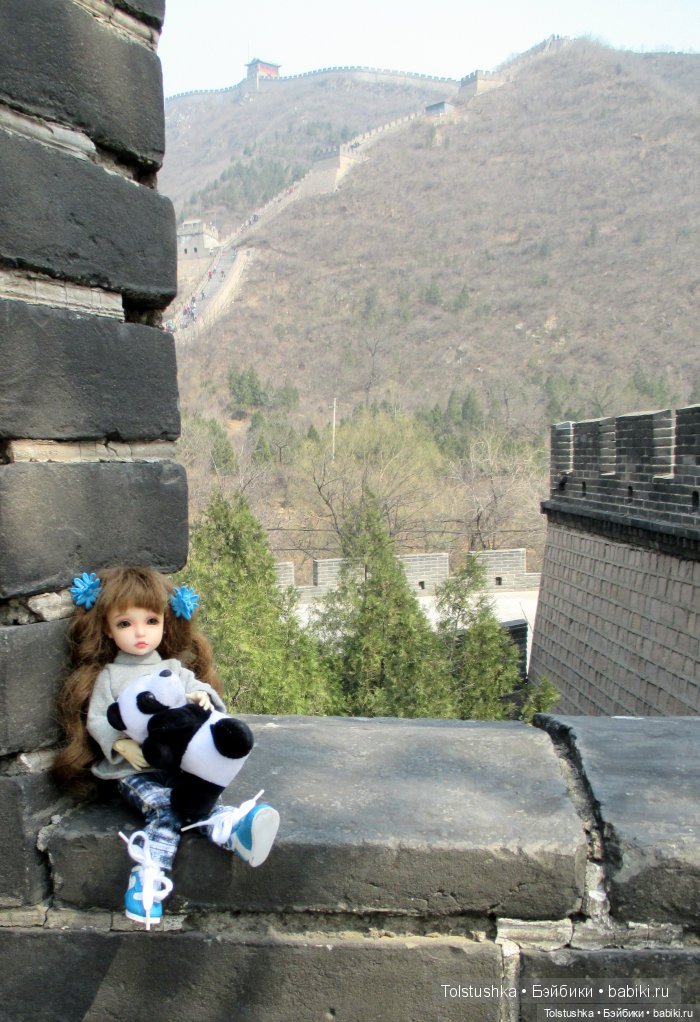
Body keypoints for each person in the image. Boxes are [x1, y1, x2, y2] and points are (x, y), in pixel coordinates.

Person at [53, 566, 280, 929]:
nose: (140, 632)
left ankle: (222, 831)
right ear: (108, 629)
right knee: (165, 805)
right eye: (125, 623)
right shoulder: (110, 677)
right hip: (132, 770)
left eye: (151, 621)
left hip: (179, 765)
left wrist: (201, 699)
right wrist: (121, 745)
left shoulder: (174, 668)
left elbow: (203, 692)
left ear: (165, 622)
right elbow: (98, 720)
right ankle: (162, 865)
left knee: (194, 796)